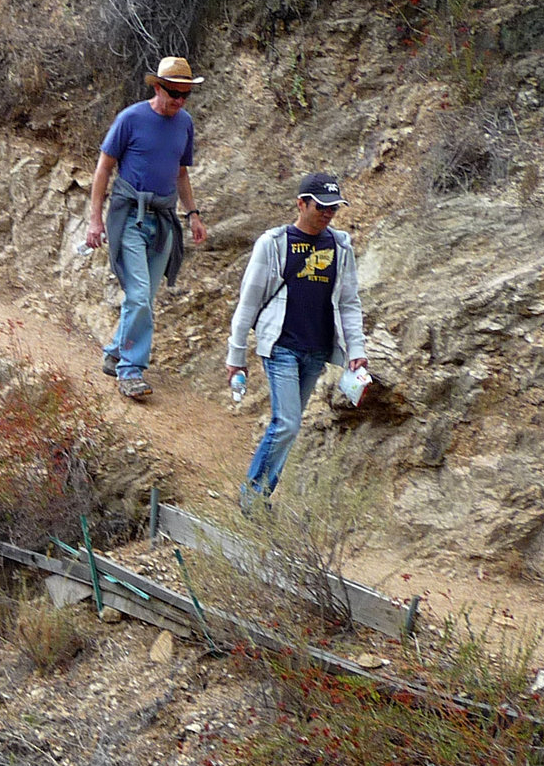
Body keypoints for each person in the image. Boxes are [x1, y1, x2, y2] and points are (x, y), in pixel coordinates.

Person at [224, 172, 368, 505]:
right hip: (281, 346)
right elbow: (249, 300)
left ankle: (260, 498)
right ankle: (252, 500)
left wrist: (356, 348)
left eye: (334, 208)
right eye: (322, 207)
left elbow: (348, 302)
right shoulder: (274, 243)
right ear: (301, 204)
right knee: (287, 423)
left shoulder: (341, 246)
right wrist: (236, 354)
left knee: (289, 425)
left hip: (316, 350)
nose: (328, 214)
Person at [84, 57, 209, 401]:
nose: (179, 101)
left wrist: (193, 214)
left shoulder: (184, 123)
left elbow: (181, 174)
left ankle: (114, 351)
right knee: (139, 296)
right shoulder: (130, 119)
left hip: (165, 219)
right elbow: (103, 168)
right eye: (173, 93)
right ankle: (130, 371)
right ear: (157, 87)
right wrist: (95, 220)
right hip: (130, 217)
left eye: (185, 95)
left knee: (144, 298)